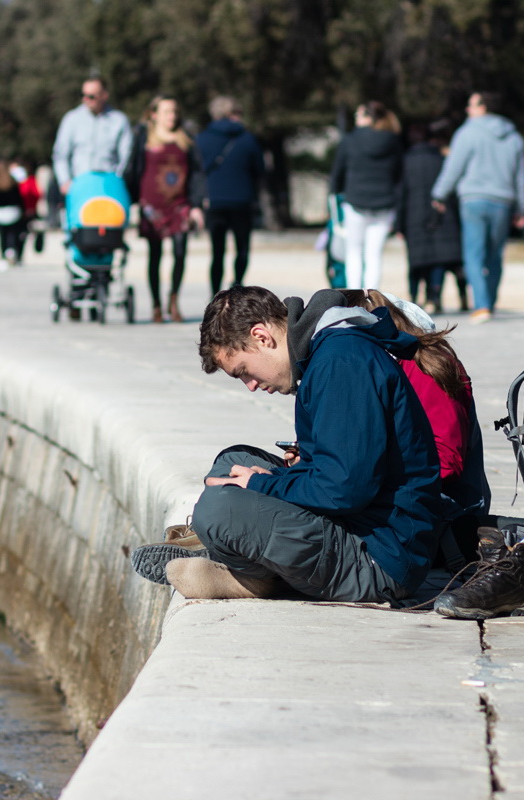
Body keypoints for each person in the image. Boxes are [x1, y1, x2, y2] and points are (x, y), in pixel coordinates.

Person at [129, 285, 444, 603]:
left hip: (379, 559)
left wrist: (266, 484)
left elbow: (344, 490)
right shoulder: (325, 356)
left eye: (243, 372)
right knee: (233, 461)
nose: (250, 386)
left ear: (261, 336)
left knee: (217, 511)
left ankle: (257, 577)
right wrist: (277, 478)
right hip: (355, 525)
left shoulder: (342, 362)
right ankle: (240, 554)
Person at [340, 289, 490, 565]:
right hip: (401, 497)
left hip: (444, 511)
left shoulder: (424, 366)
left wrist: (366, 469)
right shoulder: (376, 368)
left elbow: (446, 462)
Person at [431, 91, 524, 323]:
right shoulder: (513, 137)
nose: (468, 110)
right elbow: (520, 176)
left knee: (473, 254)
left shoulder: (468, 132)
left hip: (474, 200)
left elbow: (453, 167)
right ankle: (490, 302)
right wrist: (522, 208)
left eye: (471, 105)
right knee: (494, 255)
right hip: (503, 202)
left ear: (483, 107)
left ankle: (481, 305)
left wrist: (439, 194)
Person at [125, 95, 206, 323]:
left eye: (174, 112)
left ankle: (173, 299)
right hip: (152, 205)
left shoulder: (186, 139)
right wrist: (130, 201)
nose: (172, 116)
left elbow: (197, 173)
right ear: (154, 115)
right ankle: (156, 305)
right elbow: (133, 168)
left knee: (180, 252)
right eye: (167, 112)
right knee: (155, 255)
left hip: (180, 204)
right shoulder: (143, 138)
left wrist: (197, 205)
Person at [329, 101, 403, 291]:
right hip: (385, 203)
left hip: (355, 201)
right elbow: (398, 174)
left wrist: (334, 194)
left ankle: (354, 297)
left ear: (368, 118)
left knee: (353, 252)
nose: (356, 119)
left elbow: (338, 172)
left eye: (359, 115)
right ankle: (372, 298)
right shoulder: (393, 140)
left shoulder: (350, 140)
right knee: (374, 255)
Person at [395, 120, 468, 313]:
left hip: (414, 217)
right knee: (438, 261)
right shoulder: (442, 160)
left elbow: (401, 194)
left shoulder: (406, 161)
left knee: (416, 262)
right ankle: (434, 297)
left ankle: (413, 299)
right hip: (443, 216)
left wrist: (399, 224)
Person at [196, 95, 265, 296]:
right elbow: (259, 169)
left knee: (217, 252)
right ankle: (237, 285)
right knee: (242, 248)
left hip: (214, 200)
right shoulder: (248, 138)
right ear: (231, 113)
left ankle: (215, 293)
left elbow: (197, 169)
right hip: (242, 200)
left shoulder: (201, 138)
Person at [51, 76, 133, 197]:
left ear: (104, 95)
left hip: (109, 187)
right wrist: (65, 181)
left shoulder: (119, 120)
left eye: (92, 96)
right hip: (79, 186)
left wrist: (117, 179)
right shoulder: (71, 119)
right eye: (83, 95)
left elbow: (126, 156)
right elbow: (60, 154)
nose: (86, 100)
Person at [0, 159, 24, 270]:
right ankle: (11, 250)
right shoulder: (12, 181)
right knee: (12, 233)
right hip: (12, 211)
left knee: (2, 235)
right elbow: (18, 198)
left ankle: (3, 257)